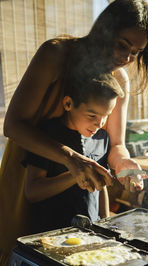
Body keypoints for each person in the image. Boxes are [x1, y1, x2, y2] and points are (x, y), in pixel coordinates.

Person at [0, 0, 148, 266]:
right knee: (18, 260)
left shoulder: (120, 80)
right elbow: (13, 126)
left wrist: (125, 164)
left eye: (137, 52)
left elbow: (116, 144)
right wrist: (72, 160)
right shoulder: (56, 54)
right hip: (30, 167)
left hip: (74, 190)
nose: (127, 58)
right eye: (122, 44)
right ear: (104, 29)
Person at [22, 71, 124, 234]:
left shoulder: (102, 138)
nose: (99, 123)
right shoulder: (46, 135)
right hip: (51, 235)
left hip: (90, 233)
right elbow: (32, 192)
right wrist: (76, 173)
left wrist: (105, 222)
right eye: (92, 115)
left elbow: (100, 184)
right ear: (68, 103)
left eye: (106, 116)